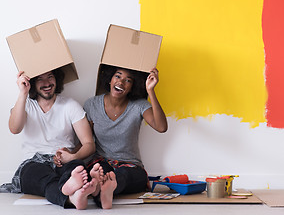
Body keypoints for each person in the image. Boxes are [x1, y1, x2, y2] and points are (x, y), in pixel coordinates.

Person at [1, 69, 99, 210]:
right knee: (40, 178)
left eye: (50, 77)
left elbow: (89, 144)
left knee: (77, 168)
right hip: (33, 163)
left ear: (57, 79)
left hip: (63, 161)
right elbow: (14, 129)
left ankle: (73, 194)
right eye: (40, 79)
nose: (46, 83)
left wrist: (73, 156)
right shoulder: (25, 105)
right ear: (32, 83)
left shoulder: (70, 105)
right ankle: (71, 196)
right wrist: (23, 93)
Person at [84, 65, 167, 209]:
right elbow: (86, 140)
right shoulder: (92, 104)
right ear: (110, 79)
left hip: (130, 166)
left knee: (123, 176)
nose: (121, 82)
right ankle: (103, 189)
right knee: (100, 172)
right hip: (102, 161)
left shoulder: (139, 105)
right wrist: (70, 154)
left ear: (132, 87)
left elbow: (161, 127)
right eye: (118, 76)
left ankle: (104, 187)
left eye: (128, 80)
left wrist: (150, 91)